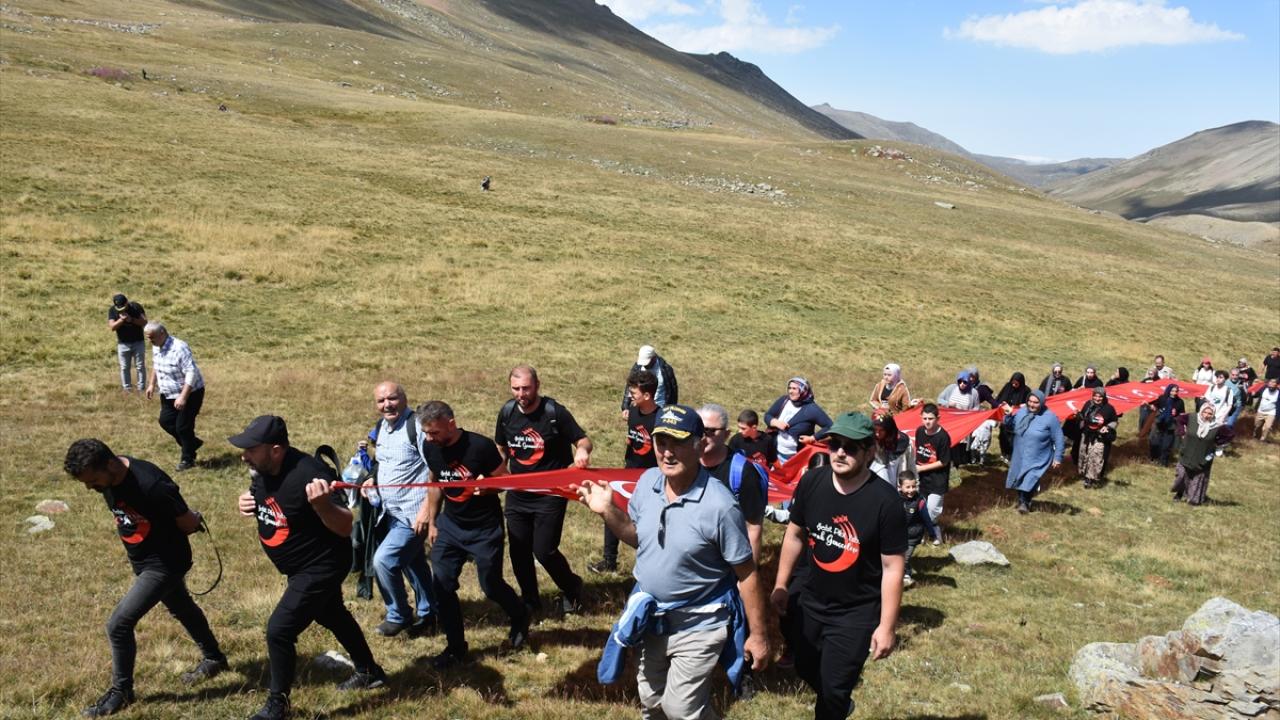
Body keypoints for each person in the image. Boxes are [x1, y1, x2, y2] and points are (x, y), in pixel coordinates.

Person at [574, 405, 770, 720]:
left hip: (700, 623)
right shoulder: (648, 482)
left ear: (699, 445)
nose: (667, 452)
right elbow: (639, 537)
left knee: (681, 709)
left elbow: (747, 574)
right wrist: (608, 511)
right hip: (652, 620)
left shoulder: (720, 506)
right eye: (661, 442)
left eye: (677, 443)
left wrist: (758, 635)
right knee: (652, 703)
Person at [232, 416, 386, 720]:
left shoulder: (311, 475)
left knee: (279, 630)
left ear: (276, 450)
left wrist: (323, 505)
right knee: (331, 614)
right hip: (299, 565)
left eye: (251, 449)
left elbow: (345, 526)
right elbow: (270, 499)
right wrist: (249, 502)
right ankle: (369, 671)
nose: (244, 455)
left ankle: (278, 705)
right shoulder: (263, 469)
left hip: (321, 565)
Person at [63, 439, 227, 718]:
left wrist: (191, 520)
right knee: (181, 607)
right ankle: (215, 658)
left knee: (118, 625)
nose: (91, 488)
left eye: (93, 481)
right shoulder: (111, 474)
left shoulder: (151, 485)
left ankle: (122, 691)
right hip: (143, 559)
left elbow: (188, 522)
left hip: (164, 564)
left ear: (111, 464)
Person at [771, 411, 907, 720]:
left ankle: (836, 704)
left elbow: (892, 568)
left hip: (855, 612)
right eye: (834, 445)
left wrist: (887, 626)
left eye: (851, 447)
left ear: (869, 451)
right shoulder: (812, 481)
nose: (840, 453)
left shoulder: (886, 502)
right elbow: (794, 534)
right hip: (810, 600)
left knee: (833, 691)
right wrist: (781, 584)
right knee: (804, 667)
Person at [416, 401, 529, 669]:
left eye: (434, 432)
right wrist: (433, 522)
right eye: (426, 433)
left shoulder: (480, 447)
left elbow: (506, 481)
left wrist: (487, 488)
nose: (429, 438)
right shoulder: (430, 447)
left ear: (451, 424)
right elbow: (435, 484)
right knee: (442, 585)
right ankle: (455, 647)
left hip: (484, 529)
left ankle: (520, 614)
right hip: (450, 527)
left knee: (490, 585)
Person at [496, 365, 591, 616]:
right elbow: (501, 447)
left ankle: (572, 587)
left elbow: (583, 440)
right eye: (516, 389)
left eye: (526, 388)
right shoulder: (507, 412)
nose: (521, 394)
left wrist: (582, 452)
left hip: (550, 494)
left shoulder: (554, 412)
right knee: (518, 551)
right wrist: (497, 470)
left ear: (537, 386)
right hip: (518, 494)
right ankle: (530, 600)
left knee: (544, 550)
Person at [358, 382, 437, 637]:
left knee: (384, 560)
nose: (387, 405)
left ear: (404, 398)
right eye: (381, 401)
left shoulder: (417, 427)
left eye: (392, 399)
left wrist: (426, 511)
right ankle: (430, 613)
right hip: (389, 513)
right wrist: (372, 479)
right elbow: (383, 463)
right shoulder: (381, 427)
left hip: (413, 514)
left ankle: (399, 614)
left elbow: (437, 470)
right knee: (413, 563)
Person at [594, 368, 660, 574]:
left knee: (648, 522)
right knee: (612, 509)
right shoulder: (633, 412)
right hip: (629, 472)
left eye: (634, 393)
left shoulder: (660, 419)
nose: (630, 396)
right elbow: (633, 439)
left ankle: (653, 563)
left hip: (651, 478)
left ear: (647, 395)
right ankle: (609, 560)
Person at [699, 403, 766, 562]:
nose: (703, 436)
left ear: (726, 434)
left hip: (724, 562)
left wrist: (750, 572)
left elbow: (753, 527)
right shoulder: (685, 463)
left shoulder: (744, 472)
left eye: (710, 431)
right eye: (698, 430)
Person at [143, 322, 205, 471]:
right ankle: (192, 443)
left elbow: (191, 372)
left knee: (183, 427)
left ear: (162, 333)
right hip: (168, 393)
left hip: (190, 393)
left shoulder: (179, 348)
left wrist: (183, 397)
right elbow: (156, 365)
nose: (150, 341)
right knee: (165, 421)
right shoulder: (156, 345)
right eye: (148, 338)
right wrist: (151, 384)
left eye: (152, 337)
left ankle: (187, 459)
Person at [1004, 390, 1064, 513]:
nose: (1032, 405)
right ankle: (1022, 500)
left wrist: (1058, 457)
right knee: (1019, 477)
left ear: (1041, 403)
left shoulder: (1050, 417)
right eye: (1030, 401)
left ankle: (1024, 503)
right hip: (1020, 453)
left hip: (1038, 456)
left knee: (1030, 478)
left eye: (1035, 402)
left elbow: (1059, 438)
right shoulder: (1021, 412)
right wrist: (1008, 416)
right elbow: (1010, 426)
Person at [765, 377, 832, 464]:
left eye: (794, 389)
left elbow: (830, 426)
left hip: (797, 458)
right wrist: (775, 422)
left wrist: (812, 438)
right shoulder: (784, 400)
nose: (790, 391)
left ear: (803, 390)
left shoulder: (812, 409)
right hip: (776, 454)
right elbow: (768, 415)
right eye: (789, 388)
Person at [1171, 403, 1222, 505]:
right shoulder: (1192, 418)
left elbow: (1228, 436)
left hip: (1203, 458)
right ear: (1201, 411)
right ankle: (1180, 493)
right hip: (1187, 453)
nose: (1206, 415)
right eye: (1205, 412)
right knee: (1182, 476)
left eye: (1210, 413)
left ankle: (1193, 499)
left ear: (1213, 414)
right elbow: (1179, 419)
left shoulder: (1217, 426)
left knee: (1197, 479)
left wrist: (1217, 446)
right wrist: (1182, 432)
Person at [899, 471, 940, 587]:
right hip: (899, 534)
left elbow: (927, 519)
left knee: (905, 557)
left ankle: (907, 576)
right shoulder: (895, 499)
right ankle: (902, 573)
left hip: (913, 535)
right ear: (900, 487)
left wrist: (933, 535)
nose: (911, 490)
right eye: (908, 487)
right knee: (898, 557)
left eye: (913, 486)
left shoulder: (919, 501)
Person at [914, 404, 951, 525]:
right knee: (919, 507)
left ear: (938, 418)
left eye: (930, 418)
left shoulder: (943, 437)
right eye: (924, 418)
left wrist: (922, 468)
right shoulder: (919, 431)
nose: (927, 422)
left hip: (937, 480)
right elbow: (918, 450)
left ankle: (933, 531)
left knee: (932, 511)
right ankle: (921, 531)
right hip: (921, 479)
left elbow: (944, 461)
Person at [1075, 387, 1117, 488]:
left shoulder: (1109, 408)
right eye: (1095, 396)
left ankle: (1091, 478)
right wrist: (1078, 416)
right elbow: (1083, 416)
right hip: (1087, 435)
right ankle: (1084, 474)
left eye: (1100, 396)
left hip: (1099, 437)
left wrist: (1107, 427)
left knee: (1095, 457)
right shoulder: (1088, 404)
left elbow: (1114, 421)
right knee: (1084, 454)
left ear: (1104, 397)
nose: (1097, 398)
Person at [620, 345, 678, 417]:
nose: (645, 366)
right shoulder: (637, 367)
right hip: (641, 408)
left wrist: (672, 409)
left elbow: (673, 390)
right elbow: (630, 387)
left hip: (661, 409)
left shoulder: (666, 369)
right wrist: (626, 407)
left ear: (654, 358)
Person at [107, 293, 148, 393]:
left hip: (138, 342)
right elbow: (112, 327)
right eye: (119, 308)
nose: (121, 310)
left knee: (140, 366)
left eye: (123, 307)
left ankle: (141, 388)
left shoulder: (136, 307)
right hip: (123, 344)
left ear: (127, 302)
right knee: (124, 367)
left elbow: (144, 322)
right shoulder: (112, 310)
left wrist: (132, 319)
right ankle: (127, 389)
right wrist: (122, 320)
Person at [870, 411, 914, 488]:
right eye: (875, 430)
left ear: (888, 429)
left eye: (881, 430)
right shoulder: (870, 439)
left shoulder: (902, 443)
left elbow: (908, 467)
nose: (877, 434)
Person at [994, 372, 1031, 461]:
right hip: (1005, 417)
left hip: (1017, 419)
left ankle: (1011, 455)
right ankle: (1004, 453)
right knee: (1003, 436)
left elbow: (1028, 404)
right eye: (1013, 383)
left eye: (1016, 384)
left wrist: (1017, 407)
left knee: (1012, 438)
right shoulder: (1008, 386)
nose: (1014, 385)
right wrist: (1001, 404)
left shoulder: (1026, 390)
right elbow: (999, 398)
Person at [1147, 384, 1185, 467]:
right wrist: (1152, 407)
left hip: (1171, 426)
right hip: (1159, 424)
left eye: (1176, 391)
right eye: (1172, 391)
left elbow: (1182, 414)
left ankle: (1163, 463)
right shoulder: (1162, 398)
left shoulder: (1180, 402)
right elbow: (1155, 406)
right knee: (1155, 443)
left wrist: (1178, 419)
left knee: (1166, 446)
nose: (1174, 393)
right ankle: (1154, 458)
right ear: (1168, 390)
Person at [1254, 378, 1278, 442]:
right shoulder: (1264, 389)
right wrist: (1253, 394)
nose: (1271, 384)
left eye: (1274, 382)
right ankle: (1256, 436)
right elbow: (1256, 394)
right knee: (1257, 425)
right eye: (1270, 382)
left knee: (1268, 427)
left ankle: (1263, 439)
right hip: (1261, 410)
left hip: (1271, 412)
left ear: (1276, 385)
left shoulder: (1278, 393)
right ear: (1268, 383)